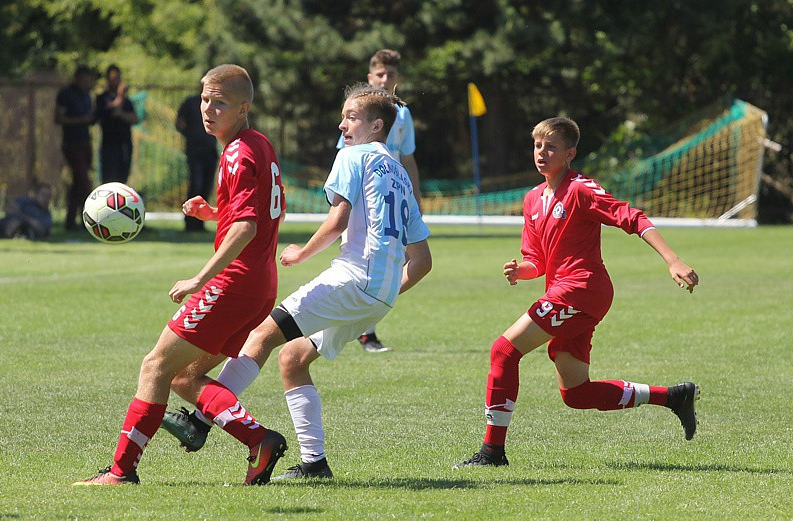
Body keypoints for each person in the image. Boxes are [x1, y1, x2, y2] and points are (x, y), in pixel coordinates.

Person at [161, 83, 432, 480]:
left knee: (260, 336)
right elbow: (422, 262)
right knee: (293, 358)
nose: (342, 125)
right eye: (342, 116)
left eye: (351, 118)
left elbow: (338, 219)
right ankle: (314, 463)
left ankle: (199, 423)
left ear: (376, 125)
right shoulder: (402, 176)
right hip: (379, 294)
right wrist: (384, 291)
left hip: (353, 278)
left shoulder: (353, 155)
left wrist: (301, 253)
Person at [74, 64, 288, 486]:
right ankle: (258, 441)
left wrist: (198, 279)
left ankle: (121, 472)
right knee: (184, 376)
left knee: (155, 365)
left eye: (219, 103)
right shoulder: (258, 143)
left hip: (234, 284)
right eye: (205, 99)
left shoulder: (237, 153)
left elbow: (246, 228)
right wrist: (216, 214)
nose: (207, 109)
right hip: (258, 285)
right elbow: (258, 212)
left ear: (243, 108)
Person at [454, 117, 701, 468]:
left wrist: (673, 260)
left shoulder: (581, 189)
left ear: (570, 154)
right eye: (538, 145)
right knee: (577, 393)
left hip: (582, 289)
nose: (541, 153)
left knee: (504, 351)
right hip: (566, 291)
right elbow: (536, 260)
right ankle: (674, 397)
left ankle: (492, 452)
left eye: (551, 146)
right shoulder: (532, 199)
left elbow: (631, 217)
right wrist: (519, 272)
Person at [336, 49, 422, 353]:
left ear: (397, 79)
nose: (385, 80)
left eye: (391, 75)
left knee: (403, 262)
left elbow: (407, 156)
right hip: (365, 199)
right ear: (371, 77)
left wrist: (415, 198)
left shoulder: (402, 115)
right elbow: (345, 152)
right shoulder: (360, 113)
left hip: (392, 198)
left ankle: (363, 320)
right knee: (363, 260)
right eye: (380, 75)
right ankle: (363, 330)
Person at [55, 65, 95, 231]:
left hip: (85, 142)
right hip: (72, 143)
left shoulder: (86, 95)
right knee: (83, 182)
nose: (88, 83)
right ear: (77, 78)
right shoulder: (66, 94)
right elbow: (58, 118)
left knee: (79, 183)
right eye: (85, 80)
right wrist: (81, 120)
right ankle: (89, 219)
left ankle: (72, 221)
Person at [177, 93, 220, 232]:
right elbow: (179, 123)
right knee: (196, 185)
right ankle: (190, 222)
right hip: (195, 151)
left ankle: (200, 223)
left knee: (206, 187)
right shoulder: (191, 102)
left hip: (210, 151)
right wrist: (191, 135)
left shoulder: (217, 104)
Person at [95, 64, 138, 184]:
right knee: (109, 177)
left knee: (122, 177)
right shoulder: (102, 99)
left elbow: (134, 118)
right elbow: (114, 112)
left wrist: (122, 114)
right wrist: (120, 96)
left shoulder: (127, 101)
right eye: (113, 79)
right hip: (109, 145)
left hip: (124, 144)